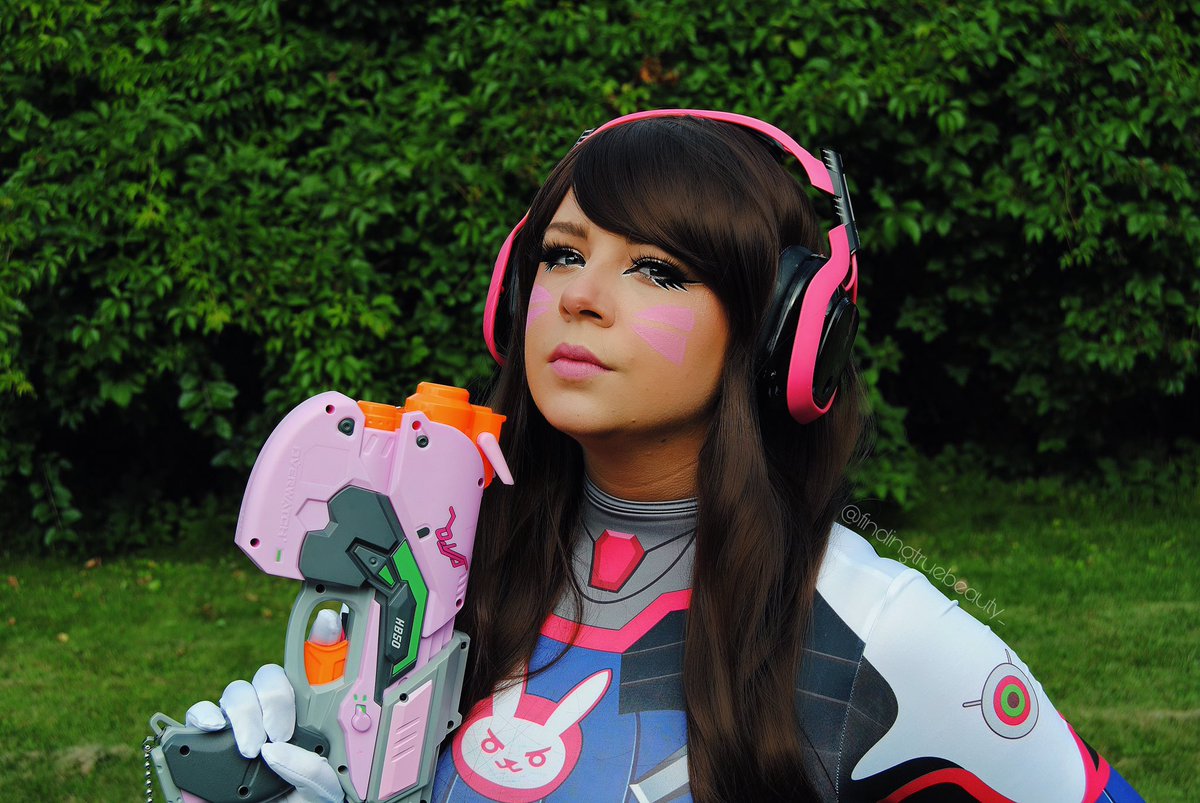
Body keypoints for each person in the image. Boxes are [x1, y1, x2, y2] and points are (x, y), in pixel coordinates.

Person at [186, 110, 1145, 802]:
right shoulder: (440, 577)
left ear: (786, 334)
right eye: (563, 254)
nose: (581, 295)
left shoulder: (879, 637)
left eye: (657, 269)